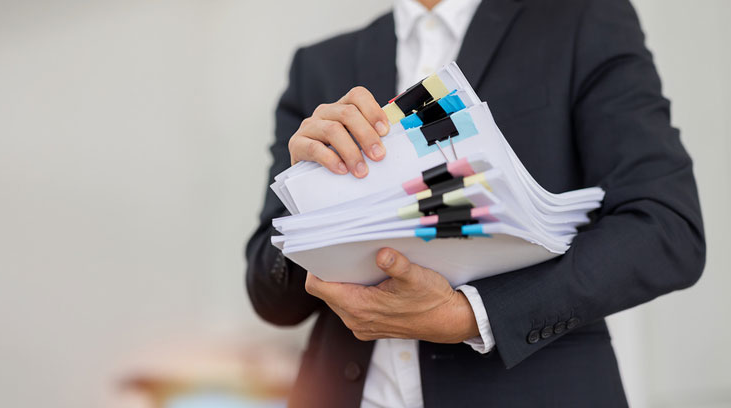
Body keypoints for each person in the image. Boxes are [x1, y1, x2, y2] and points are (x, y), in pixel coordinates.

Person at [245, 0, 706, 406]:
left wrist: (473, 315)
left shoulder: (582, 20)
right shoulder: (321, 64)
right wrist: (307, 195)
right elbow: (271, 298)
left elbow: (666, 226)